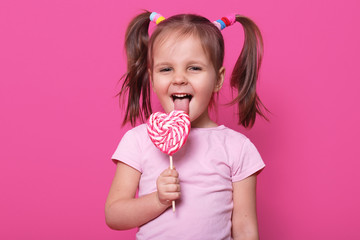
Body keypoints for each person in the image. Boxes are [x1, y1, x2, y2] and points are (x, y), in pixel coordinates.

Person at [105, 10, 268, 240]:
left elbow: (245, 228)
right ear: (152, 78)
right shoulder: (138, 141)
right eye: (166, 69)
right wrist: (158, 200)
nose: (179, 78)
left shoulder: (237, 147)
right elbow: (114, 215)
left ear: (218, 79)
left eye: (194, 68)